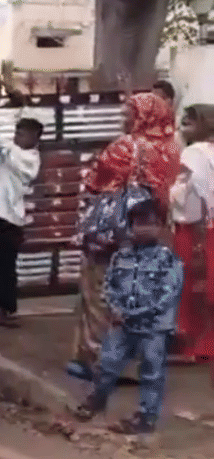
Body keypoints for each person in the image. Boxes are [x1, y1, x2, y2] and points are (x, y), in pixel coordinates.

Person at [67, 92, 182, 382]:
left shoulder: (125, 146)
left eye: (128, 114)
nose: (124, 119)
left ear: (142, 116)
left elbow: (96, 183)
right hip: (154, 232)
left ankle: (99, 361)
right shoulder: (173, 149)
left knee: (101, 294)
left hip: (114, 235)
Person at [70, 199, 183, 434]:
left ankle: (146, 418)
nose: (144, 229)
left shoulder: (169, 260)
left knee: (151, 373)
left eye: (151, 223)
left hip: (154, 327)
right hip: (123, 324)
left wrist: (135, 313)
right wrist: (116, 309)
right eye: (139, 223)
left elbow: (168, 294)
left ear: (161, 227)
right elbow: (109, 286)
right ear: (131, 226)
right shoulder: (121, 257)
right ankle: (96, 401)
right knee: (106, 364)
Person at [0, 116, 44, 328]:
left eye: (22, 134)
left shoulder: (28, 160)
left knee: (4, 269)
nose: (17, 137)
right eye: (16, 133)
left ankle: (8, 310)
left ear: (35, 138)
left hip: (9, 221)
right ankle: (4, 308)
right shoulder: (15, 154)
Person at [170, 104, 214, 379]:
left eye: (191, 120)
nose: (184, 124)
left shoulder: (194, 153)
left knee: (191, 286)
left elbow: (192, 193)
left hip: (195, 227)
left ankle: (195, 344)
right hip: (205, 226)